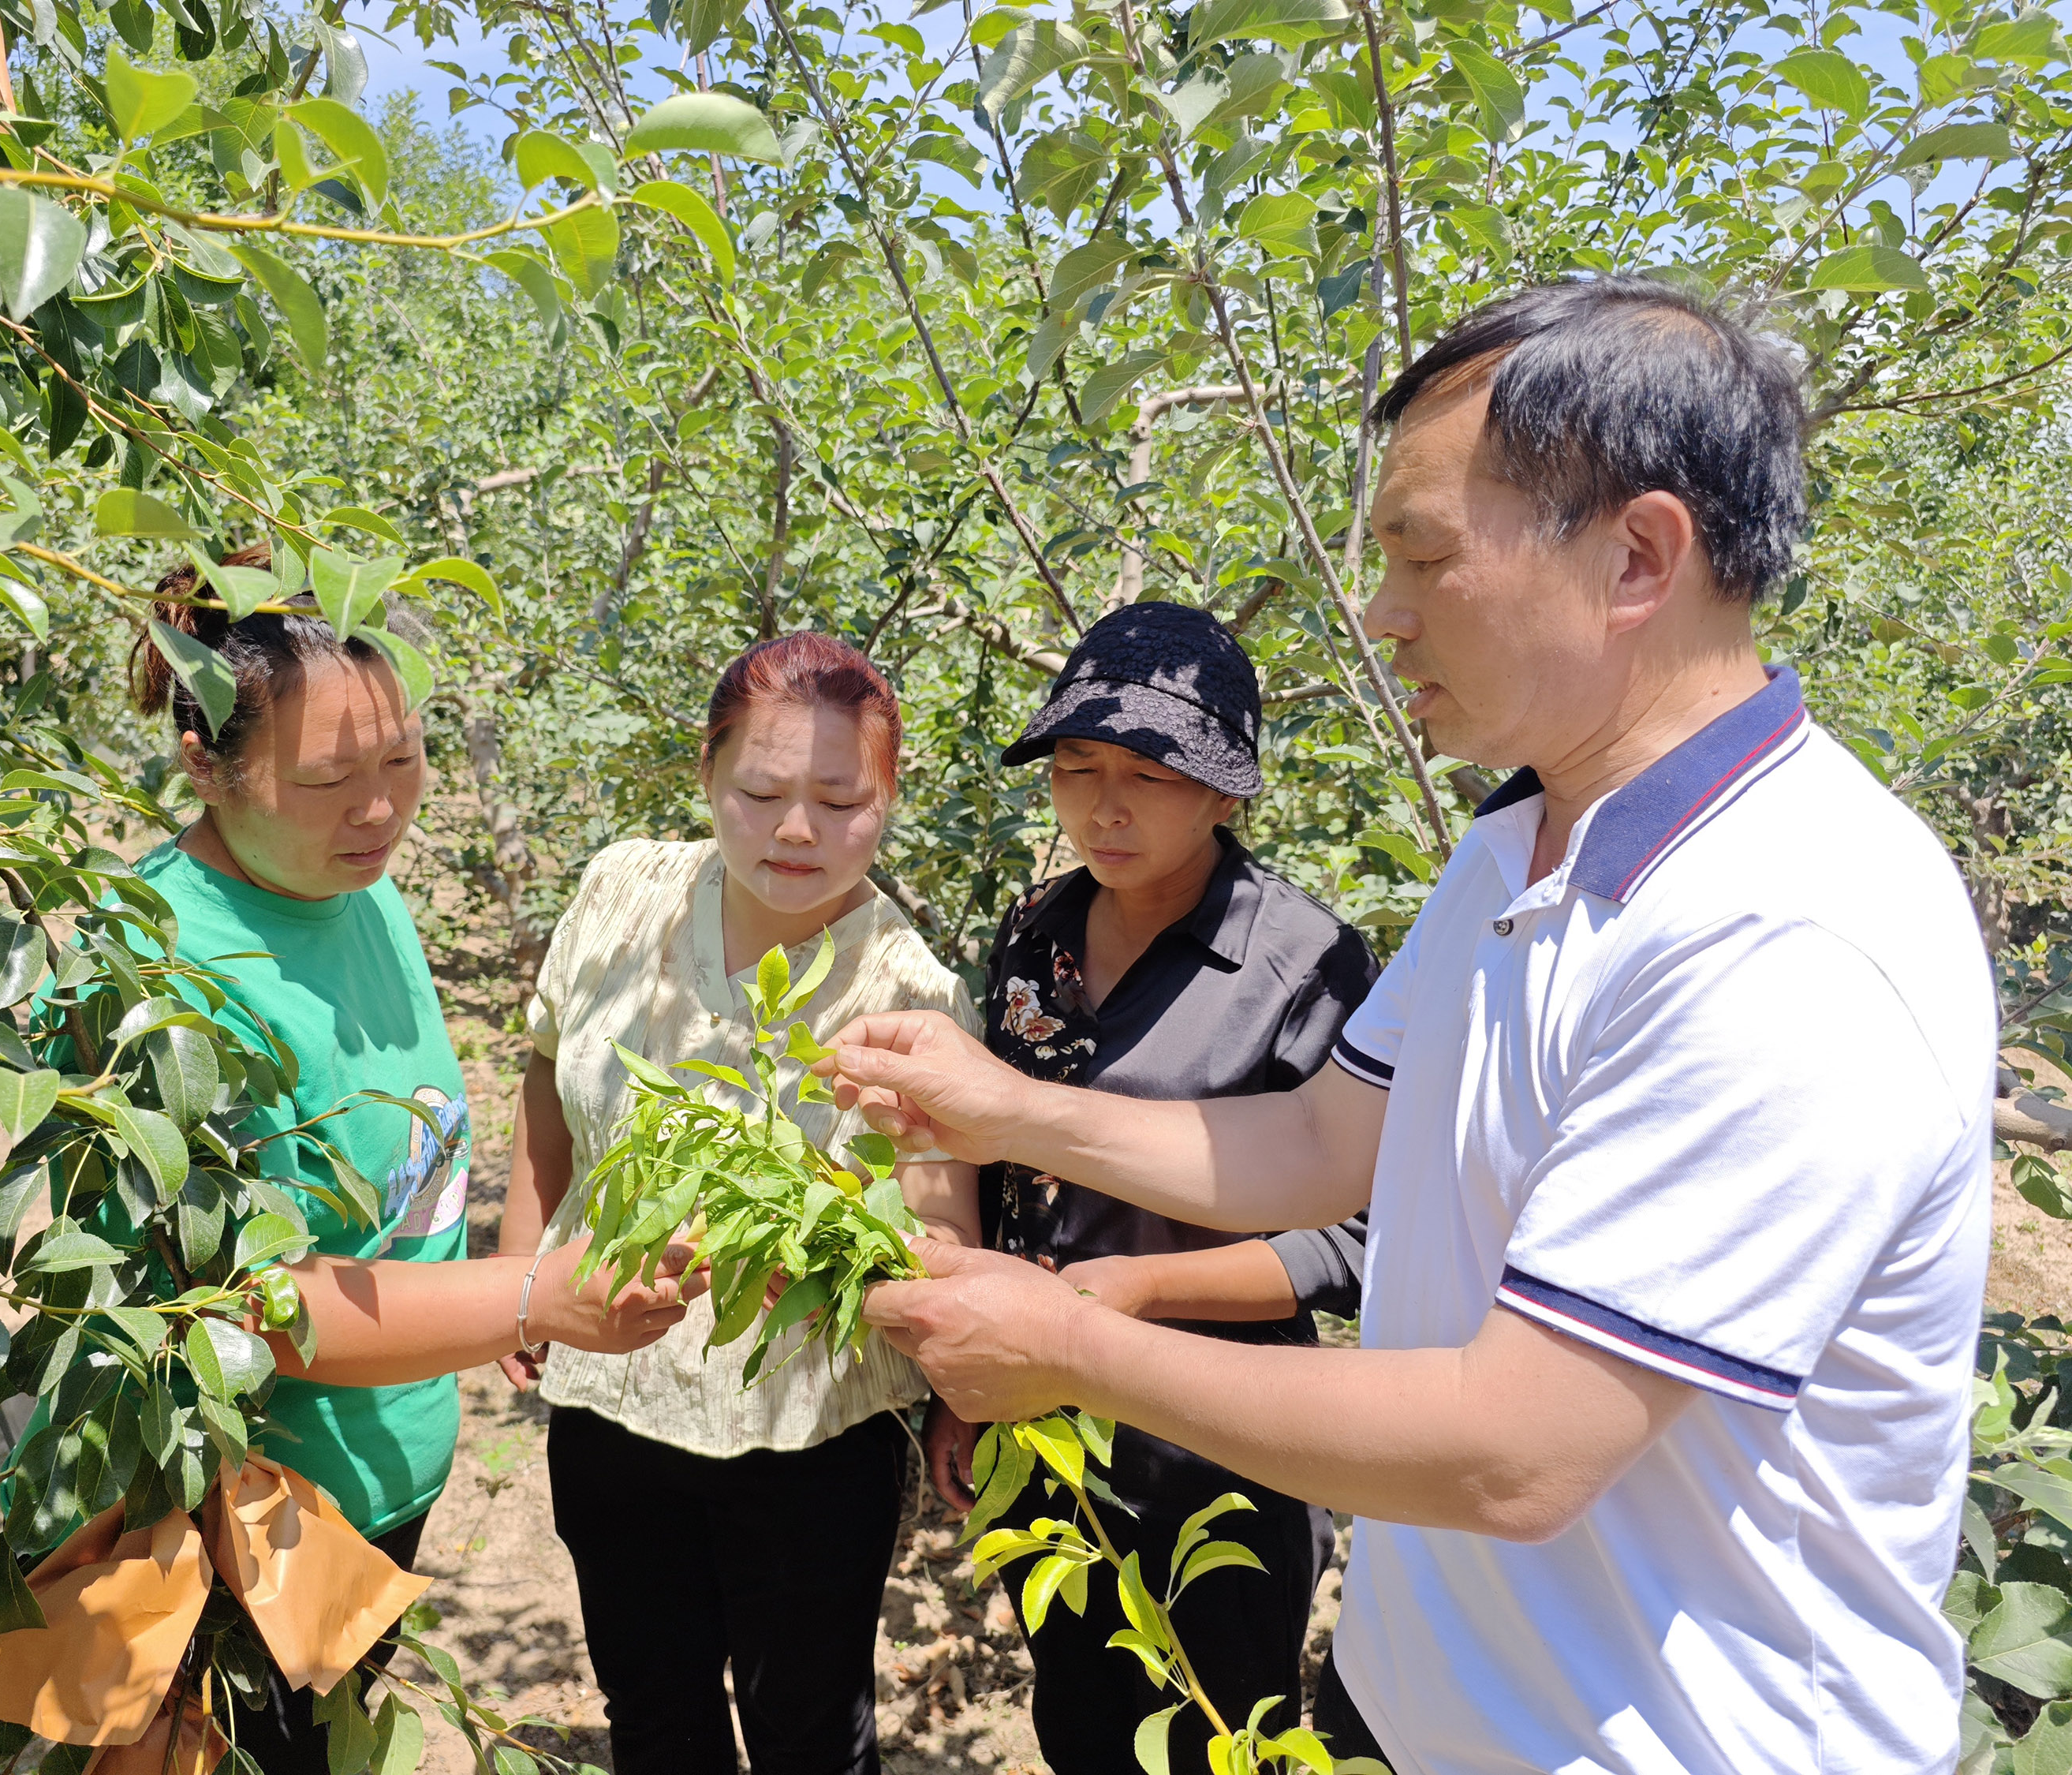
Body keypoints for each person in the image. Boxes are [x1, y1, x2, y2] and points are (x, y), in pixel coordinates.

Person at [819, 280, 1996, 1775]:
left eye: (1424, 556)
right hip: (1430, 1697)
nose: (1381, 614)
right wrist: (1006, 1107)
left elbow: (1519, 1443)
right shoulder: (1516, 851)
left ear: (1639, 556)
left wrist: (1062, 1338)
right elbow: (1325, 1138)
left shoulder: (1788, 928)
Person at [124, 554, 700, 1775]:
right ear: (203, 762)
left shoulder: (358, 890)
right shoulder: (167, 972)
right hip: (243, 1514)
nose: (380, 810)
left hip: (382, 1485)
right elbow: (253, 1309)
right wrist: (541, 1294)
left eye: (402, 761)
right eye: (330, 777)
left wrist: (502, 1276)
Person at [495, 631, 984, 1775]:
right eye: (760, 791)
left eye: (839, 798)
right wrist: (523, 1262)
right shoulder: (623, 892)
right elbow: (545, 1066)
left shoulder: (909, 992)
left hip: (805, 1435)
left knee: (809, 1732)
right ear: (707, 778)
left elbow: (942, 1238)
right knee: (653, 1714)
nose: (796, 829)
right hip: (610, 1401)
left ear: (891, 796)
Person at [924, 600, 1375, 1773]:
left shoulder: (1303, 965)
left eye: (1149, 775)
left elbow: (1353, 1237)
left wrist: (1133, 1288)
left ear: (1226, 791)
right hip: (1052, 1427)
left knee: (1224, 1727)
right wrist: (967, 1376)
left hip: (1223, 1445)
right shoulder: (1037, 932)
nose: (1103, 806)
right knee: (1079, 1715)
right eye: (1076, 768)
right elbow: (998, 1163)